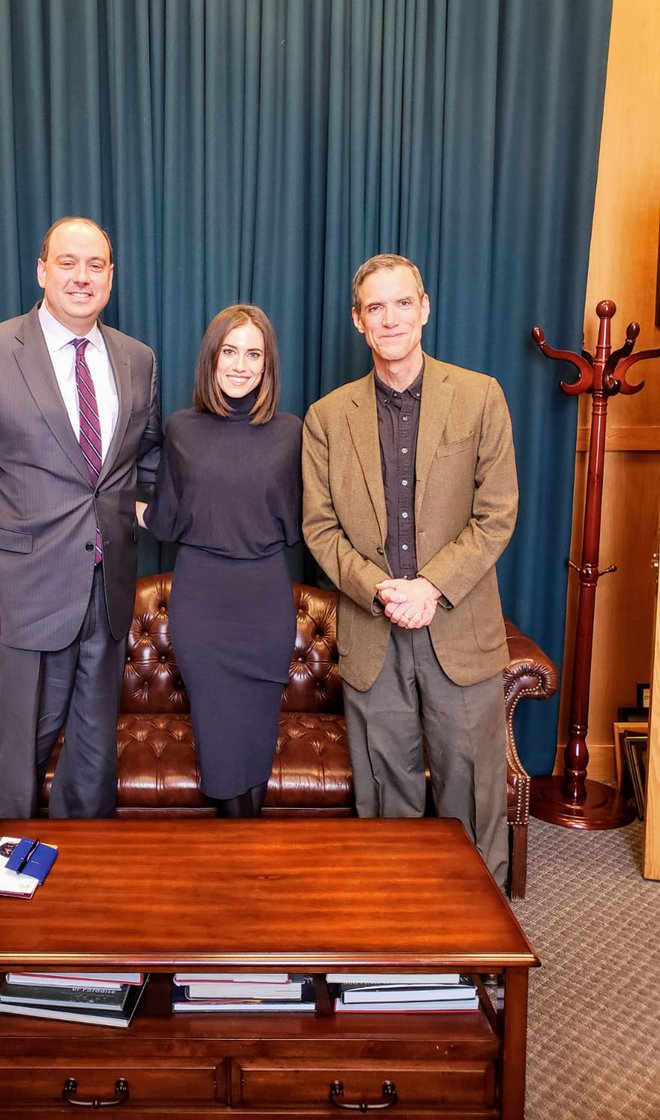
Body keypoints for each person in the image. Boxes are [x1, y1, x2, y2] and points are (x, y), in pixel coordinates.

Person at [302, 254, 518, 886]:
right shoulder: (326, 417)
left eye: (403, 303)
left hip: (459, 628)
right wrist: (380, 589)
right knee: (384, 801)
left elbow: (497, 513)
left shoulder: (480, 396)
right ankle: (393, 952)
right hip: (373, 634)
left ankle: (479, 954)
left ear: (425, 309)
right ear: (357, 321)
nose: (390, 318)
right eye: (376, 307)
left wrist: (431, 587)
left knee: (472, 799)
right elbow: (320, 528)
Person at [0, 216, 162, 820]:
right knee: (18, 749)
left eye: (95, 266)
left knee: (93, 747)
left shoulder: (137, 360)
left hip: (108, 587)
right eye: (67, 263)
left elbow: (146, 458)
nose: (81, 277)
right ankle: (8, 870)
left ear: (111, 277)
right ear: (42, 271)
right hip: (19, 594)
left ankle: (82, 876)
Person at [143, 305, 302, 817]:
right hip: (202, 608)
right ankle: (239, 862)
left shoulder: (292, 432)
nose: (241, 364)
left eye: (253, 353)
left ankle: (245, 857)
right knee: (220, 748)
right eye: (229, 351)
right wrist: (105, 500)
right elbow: (166, 521)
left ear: (268, 364)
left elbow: (305, 524)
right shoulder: (182, 429)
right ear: (211, 359)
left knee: (255, 746)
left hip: (265, 606)